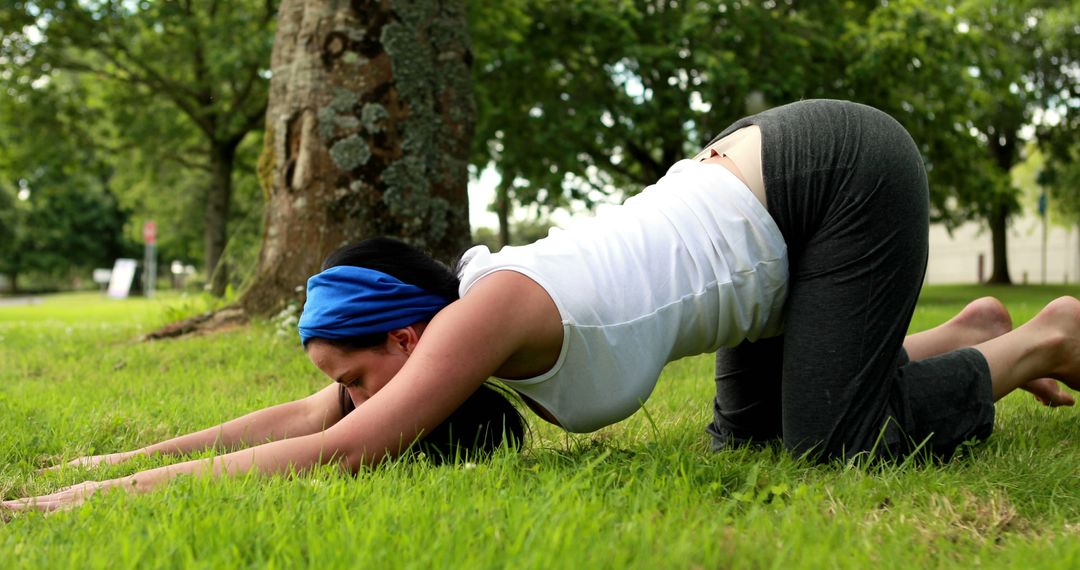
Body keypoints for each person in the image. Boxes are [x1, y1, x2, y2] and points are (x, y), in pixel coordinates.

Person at [4, 99, 1077, 514]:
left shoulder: (478, 317)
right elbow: (301, 422)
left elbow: (338, 451)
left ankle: (1029, 345)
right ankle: (963, 332)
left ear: (408, 334)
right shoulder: (443, 328)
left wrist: (78, 513)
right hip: (764, 224)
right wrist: (94, 472)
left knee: (830, 453)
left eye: (357, 376)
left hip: (831, 182)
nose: (345, 400)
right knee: (744, 445)